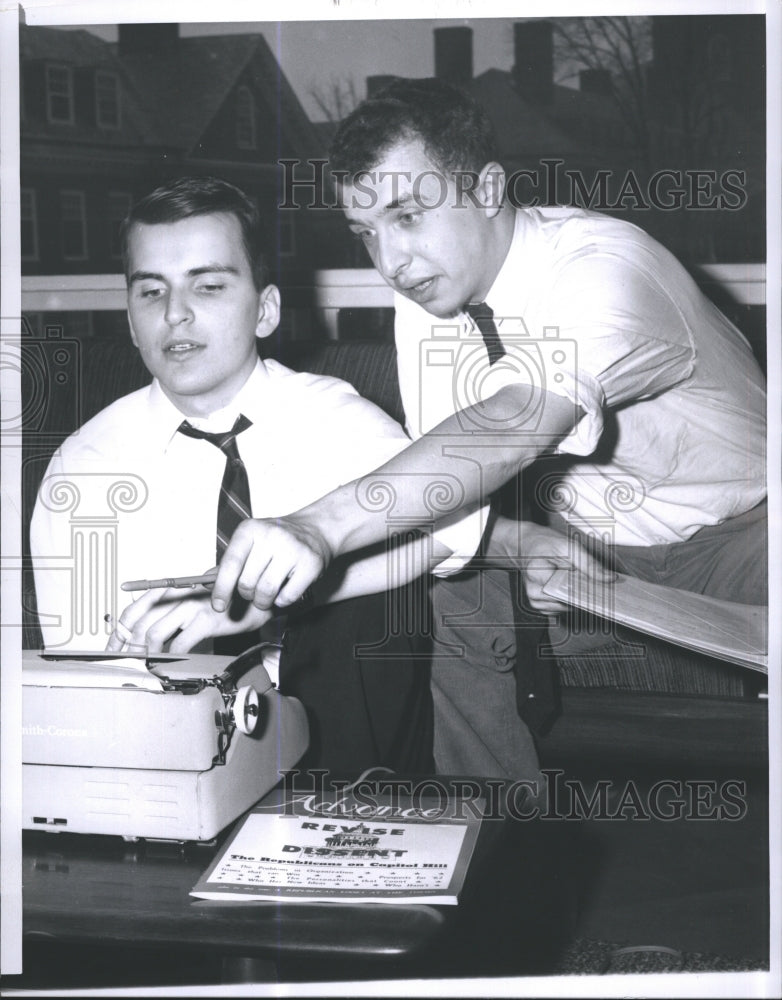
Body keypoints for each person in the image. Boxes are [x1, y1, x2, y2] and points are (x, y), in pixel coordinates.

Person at [203, 78, 767, 777]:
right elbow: (451, 491)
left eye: (408, 216)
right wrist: (520, 542)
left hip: (751, 538)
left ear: (488, 189)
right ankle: (497, 851)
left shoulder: (607, 267)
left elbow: (513, 420)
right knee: (422, 602)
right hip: (594, 554)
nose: (390, 263)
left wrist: (317, 527)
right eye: (366, 234)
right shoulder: (428, 305)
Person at [31, 175, 444, 773]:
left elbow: (442, 539)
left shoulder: (339, 420)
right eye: (151, 292)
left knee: (366, 608)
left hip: (340, 737)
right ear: (129, 318)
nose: (176, 314)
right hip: (171, 740)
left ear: (266, 309)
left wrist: (271, 603)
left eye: (210, 285)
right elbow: (79, 677)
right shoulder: (84, 469)